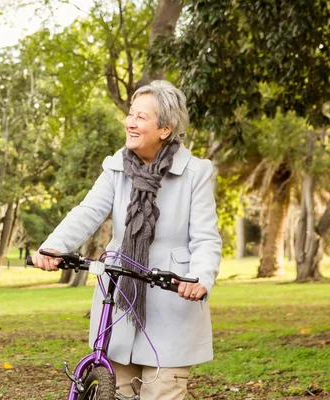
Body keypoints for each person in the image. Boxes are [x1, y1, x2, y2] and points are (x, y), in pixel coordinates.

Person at [32, 80, 221, 400]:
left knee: (163, 392)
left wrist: (200, 278)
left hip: (172, 296)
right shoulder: (115, 167)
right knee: (117, 391)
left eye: (141, 117)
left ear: (165, 128)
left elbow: (205, 238)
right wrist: (54, 246)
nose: (129, 122)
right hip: (120, 296)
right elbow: (87, 212)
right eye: (130, 114)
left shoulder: (196, 173)